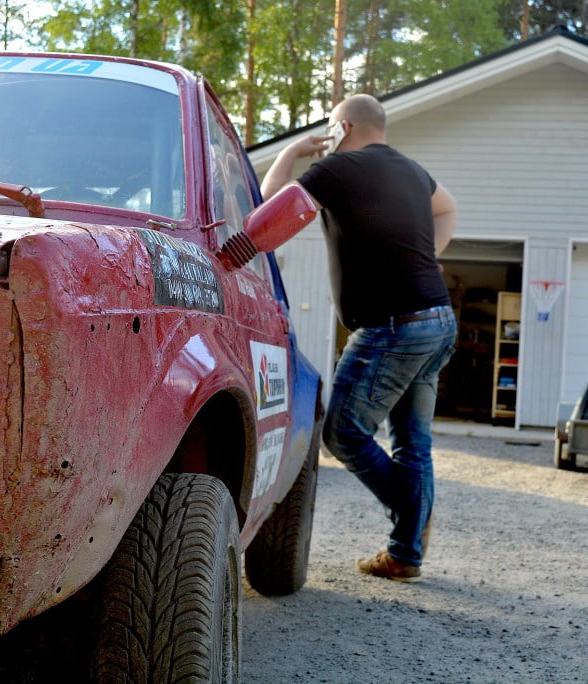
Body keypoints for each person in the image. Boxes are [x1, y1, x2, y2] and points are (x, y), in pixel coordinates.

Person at [261, 94, 458, 582]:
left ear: (343, 127)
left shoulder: (338, 169)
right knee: (413, 442)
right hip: (438, 321)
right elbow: (449, 208)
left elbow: (270, 204)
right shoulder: (413, 171)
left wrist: (293, 152)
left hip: (394, 327)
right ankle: (405, 555)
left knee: (342, 432)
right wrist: (425, 258)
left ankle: (412, 518)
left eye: (331, 129)